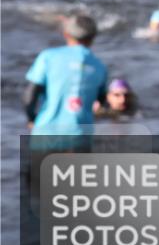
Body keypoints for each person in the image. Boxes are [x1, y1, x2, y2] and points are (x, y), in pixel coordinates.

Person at [23, 15, 108, 149]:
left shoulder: (48, 57)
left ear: (66, 34)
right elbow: (101, 100)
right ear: (93, 37)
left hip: (47, 132)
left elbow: (31, 94)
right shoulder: (99, 66)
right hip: (80, 136)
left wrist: (31, 118)